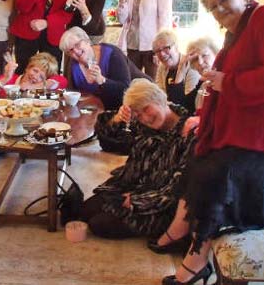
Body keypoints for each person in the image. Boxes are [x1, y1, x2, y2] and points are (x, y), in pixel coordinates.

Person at [158, 0, 264, 285]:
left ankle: (195, 262)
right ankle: (186, 237)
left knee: (216, 175)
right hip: (239, 133)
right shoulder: (232, 37)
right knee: (197, 161)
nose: (220, 8)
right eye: (213, 6)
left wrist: (229, 82)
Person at [81, 78, 195, 240]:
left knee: (98, 224)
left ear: (160, 99)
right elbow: (107, 139)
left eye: (146, 109)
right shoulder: (142, 125)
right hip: (132, 185)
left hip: (158, 205)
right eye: (138, 115)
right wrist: (118, 119)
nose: (145, 118)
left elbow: (176, 189)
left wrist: (136, 200)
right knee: (85, 210)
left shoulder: (187, 133)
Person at [59, 26, 151, 110]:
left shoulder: (112, 53)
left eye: (77, 44)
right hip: (94, 111)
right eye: (70, 50)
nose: (75, 51)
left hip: (138, 101)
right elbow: (71, 92)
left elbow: (125, 90)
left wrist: (102, 81)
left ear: (86, 40)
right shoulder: (73, 65)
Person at [116, 0, 173, 79]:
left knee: (152, 84)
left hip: (152, 47)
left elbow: (165, 20)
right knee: (131, 83)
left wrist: (162, 49)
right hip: (131, 46)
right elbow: (121, 19)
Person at [0, 51, 67, 98]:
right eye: (35, 71)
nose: (35, 76)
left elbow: (62, 81)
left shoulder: (42, 86)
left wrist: (31, 87)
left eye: (41, 76)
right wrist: (6, 79)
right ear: (27, 68)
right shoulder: (11, 78)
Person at [152, 29, 200, 110]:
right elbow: (160, 95)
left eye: (166, 48)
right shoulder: (162, 66)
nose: (162, 54)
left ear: (176, 46)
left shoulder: (191, 67)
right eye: (158, 51)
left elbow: (189, 101)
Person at [182, 36, 220, 114]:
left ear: (216, 54)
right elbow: (184, 106)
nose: (200, 62)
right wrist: (180, 69)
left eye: (204, 55)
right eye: (195, 59)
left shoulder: (222, 81)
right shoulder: (202, 84)